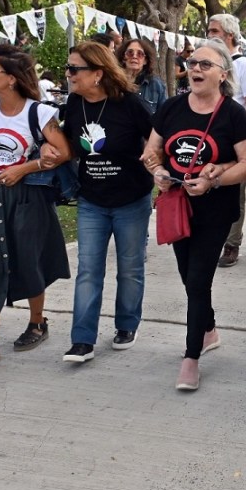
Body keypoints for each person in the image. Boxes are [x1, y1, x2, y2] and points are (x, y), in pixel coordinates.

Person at [143, 39, 246, 391]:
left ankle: (190, 357)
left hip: (216, 210)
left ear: (223, 74)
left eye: (205, 65)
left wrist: (215, 179)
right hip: (177, 206)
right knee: (187, 275)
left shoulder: (233, 114)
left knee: (197, 280)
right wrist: (158, 172)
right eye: (193, 62)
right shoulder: (172, 107)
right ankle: (208, 329)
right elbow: (151, 151)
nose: (195, 68)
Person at [0, 45, 72, 365]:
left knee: (29, 260)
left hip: (27, 197)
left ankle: (37, 322)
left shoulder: (39, 113)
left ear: (11, 78)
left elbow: (63, 152)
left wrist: (24, 168)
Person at [58, 42, 156, 364]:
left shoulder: (129, 103)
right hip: (92, 200)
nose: (68, 74)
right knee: (88, 270)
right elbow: (70, 143)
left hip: (131, 199)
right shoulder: (74, 103)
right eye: (69, 68)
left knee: (129, 268)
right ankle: (82, 340)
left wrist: (154, 159)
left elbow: (157, 136)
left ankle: (127, 324)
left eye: (74, 68)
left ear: (98, 73)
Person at [206, 14, 246, 268]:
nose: (209, 35)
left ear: (229, 35)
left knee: (234, 193)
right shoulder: (209, 62)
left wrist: (239, 140)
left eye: (214, 30)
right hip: (209, 140)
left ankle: (232, 243)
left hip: (234, 143)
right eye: (209, 30)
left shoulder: (245, 67)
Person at [117, 37, 167, 114]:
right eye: (130, 52)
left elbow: (164, 115)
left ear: (145, 61)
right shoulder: (114, 81)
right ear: (123, 57)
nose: (134, 56)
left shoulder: (156, 84)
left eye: (140, 54)